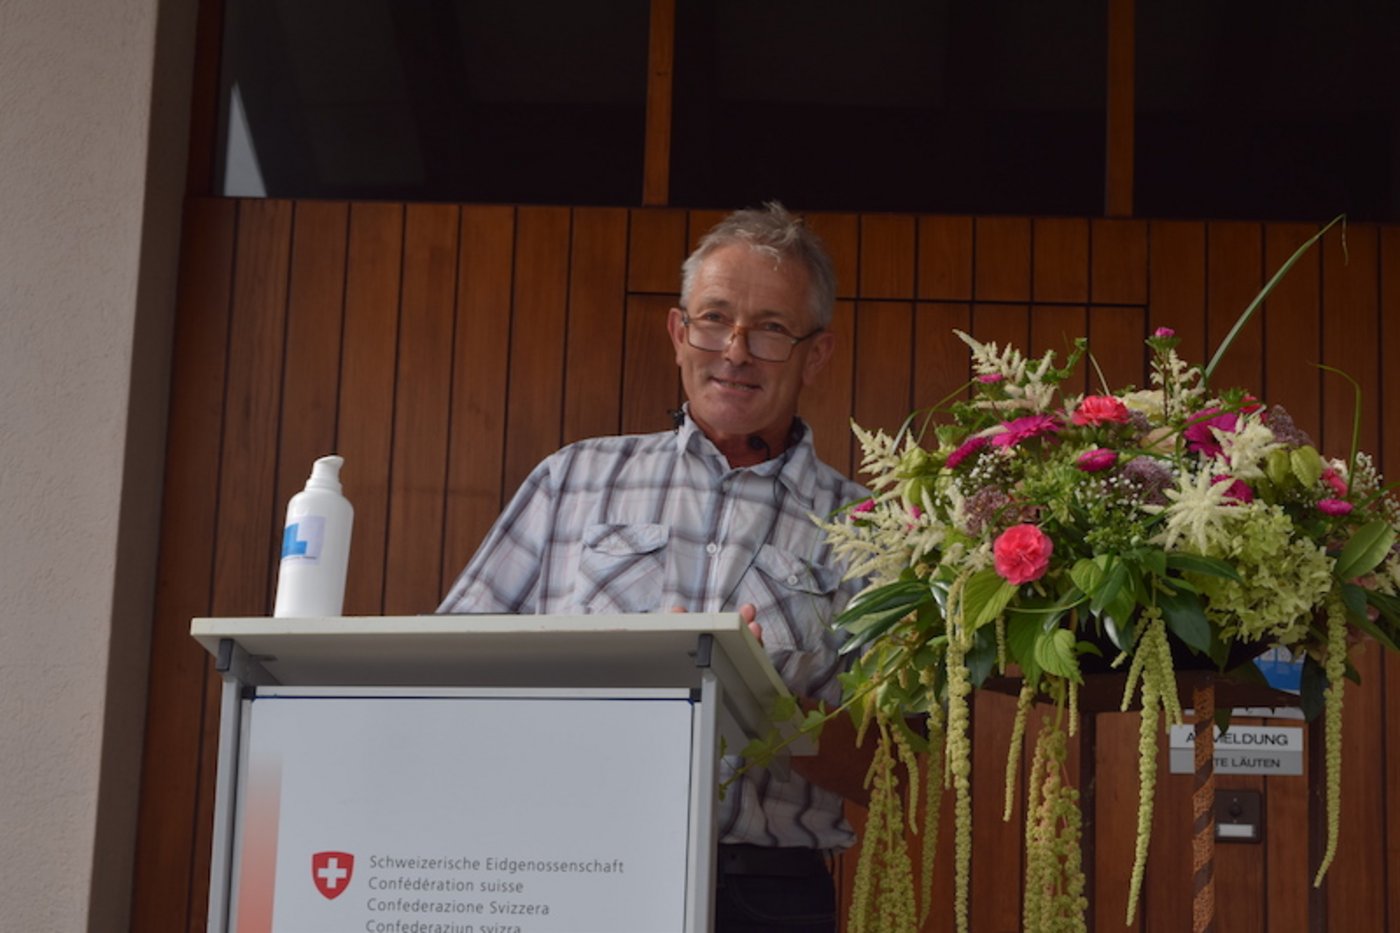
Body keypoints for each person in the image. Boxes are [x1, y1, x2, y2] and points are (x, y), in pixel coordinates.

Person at [438, 202, 867, 932]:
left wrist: (763, 701)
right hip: (564, 867)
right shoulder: (573, 478)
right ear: (678, 332)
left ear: (815, 354)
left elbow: (899, 769)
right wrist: (615, 676)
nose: (735, 350)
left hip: (763, 896)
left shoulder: (867, 531)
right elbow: (449, 676)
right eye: (714, 318)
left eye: (769, 328)